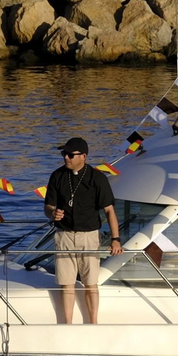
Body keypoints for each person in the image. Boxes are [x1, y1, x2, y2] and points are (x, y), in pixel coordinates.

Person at [44, 137, 123, 324]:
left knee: (90, 282)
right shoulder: (57, 176)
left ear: (84, 156)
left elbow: (109, 210)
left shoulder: (97, 178)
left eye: (70, 155)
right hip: (64, 235)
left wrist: (115, 239)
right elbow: (48, 206)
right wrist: (52, 213)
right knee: (67, 283)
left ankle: (93, 322)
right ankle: (68, 323)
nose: (66, 158)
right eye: (64, 154)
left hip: (89, 236)